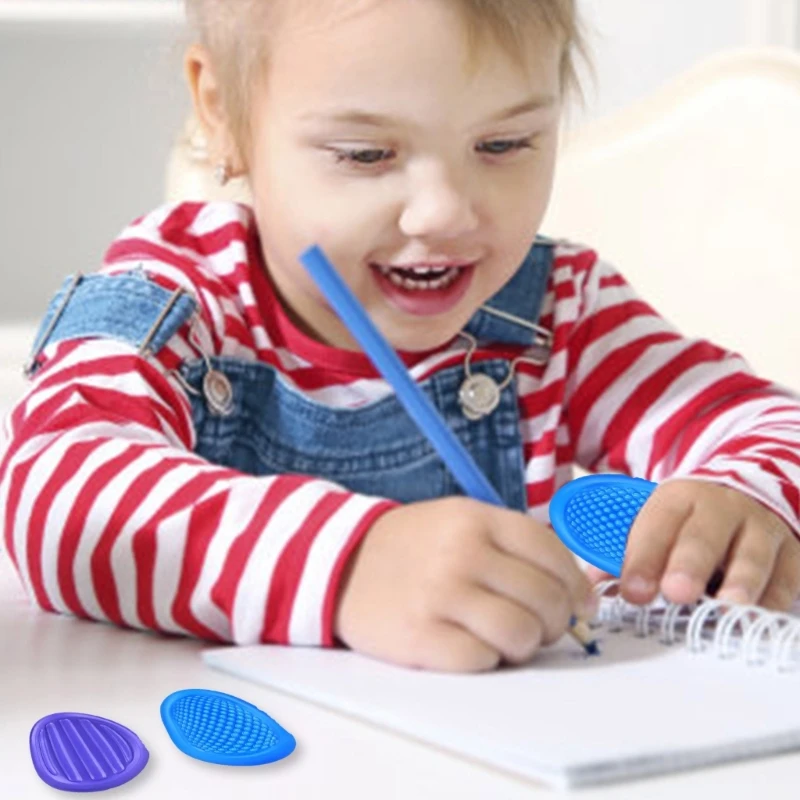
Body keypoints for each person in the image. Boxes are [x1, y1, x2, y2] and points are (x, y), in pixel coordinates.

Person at [2, 0, 799, 674]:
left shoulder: (558, 315)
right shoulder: (181, 296)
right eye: (367, 154)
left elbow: (770, 425)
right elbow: (54, 495)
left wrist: (747, 501)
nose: (445, 212)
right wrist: (353, 565)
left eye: (503, 144)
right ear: (222, 115)